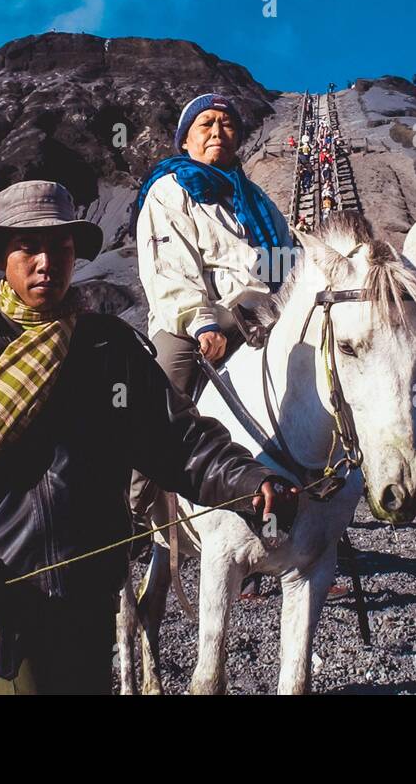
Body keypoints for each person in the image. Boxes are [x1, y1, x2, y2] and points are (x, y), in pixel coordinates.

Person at [0, 180, 298, 694]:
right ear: (1, 257)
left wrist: (249, 480)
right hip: (0, 605)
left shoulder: (107, 347)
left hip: (91, 598)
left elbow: (178, 442)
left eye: (60, 247)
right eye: (28, 247)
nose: (45, 261)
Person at [132, 93, 293, 522]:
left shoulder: (257, 202)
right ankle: (129, 510)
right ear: (185, 140)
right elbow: (169, 268)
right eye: (206, 124)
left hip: (263, 315)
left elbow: (288, 261)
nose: (218, 131)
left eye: (226, 124)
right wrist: (202, 323)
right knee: (163, 396)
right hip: (194, 318)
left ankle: (316, 520)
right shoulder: (169, 191)